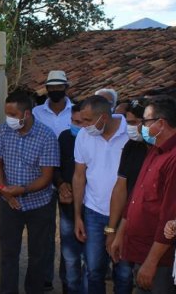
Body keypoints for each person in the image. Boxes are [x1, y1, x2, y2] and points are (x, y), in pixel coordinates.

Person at [0, 91, 60, 294]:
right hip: (9, 204)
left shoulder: (46, 136)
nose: (8, 119)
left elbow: (46, 177)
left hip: (39, 205)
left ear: (26, 114)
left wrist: (22, 190)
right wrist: (5, 192)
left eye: (12, 115)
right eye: (7, 114)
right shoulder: (4, 131)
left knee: (38, 255)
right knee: (8, 254)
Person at [114, 96, 176, 293]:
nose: (141, 127)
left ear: (161, 123)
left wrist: (151, 262)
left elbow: (169, 217)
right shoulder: (154, 150)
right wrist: (120, 234)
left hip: (158, 259)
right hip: (140, 250)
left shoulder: (173, 159)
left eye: (145, 122)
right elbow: (135, 197)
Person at [72, 95, 133, 294]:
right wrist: (78, 216)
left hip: (126, 216)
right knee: (94, 270)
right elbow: (79, 176)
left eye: (88, 120)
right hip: (93, 213)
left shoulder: (131, 134)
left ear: (104, 118)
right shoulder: (83, 136)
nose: (84, 125)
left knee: (124, 272)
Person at [32, 70, 73, 290]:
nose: (56, 91)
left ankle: (68, 279)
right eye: (52, 87)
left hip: (69, 178)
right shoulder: (36, 112)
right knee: (44, 232)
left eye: (60, 87)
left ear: (67, 87)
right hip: (42, 177)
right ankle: (45, 277)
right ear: (46, 88)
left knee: (68, 233)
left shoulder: (76, 112)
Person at [106, 99, 149, 258]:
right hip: (131, 220)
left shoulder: (164, 151)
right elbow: (120, 188)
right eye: (128, 122)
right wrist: (112, 230)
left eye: (134, 122)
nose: (130, 128)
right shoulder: (132, 147)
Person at [53, 103, 85, 294]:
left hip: (92, 206)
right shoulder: (65, 137)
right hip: (67, 203)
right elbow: (56, 167)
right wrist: (61, 185)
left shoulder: (96, 140)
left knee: (90, 258)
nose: (75, 125)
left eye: (80, 122)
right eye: (73, 121)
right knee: (70, 255)